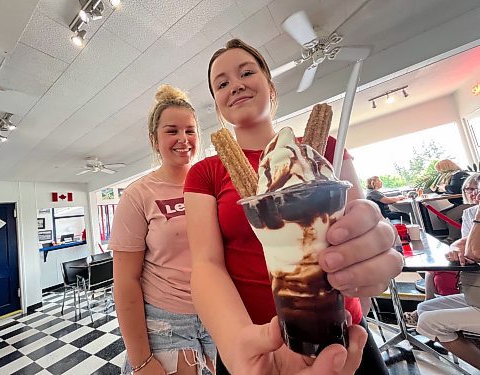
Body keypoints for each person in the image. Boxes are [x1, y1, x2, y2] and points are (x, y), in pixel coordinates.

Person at [184, 39, 403, 375]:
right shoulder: (206, 172)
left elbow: (364, 223)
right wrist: (236, 343)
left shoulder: (323, 150)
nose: (236, 85)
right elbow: (206, 264)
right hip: (255, 345)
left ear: (270, 87)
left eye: (247, 72)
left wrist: (372, 247)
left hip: (343, 331)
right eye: (222, 83)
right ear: (217, 105)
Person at [110, 85, 216, 375]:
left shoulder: (212, 183)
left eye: (190, 130)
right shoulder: (138, 195)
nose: (183, 139)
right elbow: (125, 282)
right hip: (166, 323)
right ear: (154, 139)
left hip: (218, 313)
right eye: (172, 131)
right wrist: (141, 360)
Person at [404, 173, 480, 326]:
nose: (474, 195)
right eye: (470, 190)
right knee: (433, 274)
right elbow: (464, 244)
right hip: (473, 280)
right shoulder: (469, 213)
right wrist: (454, 248)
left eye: (476, 190)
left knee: (429, 321)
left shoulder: (474, 213)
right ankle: (429, 304)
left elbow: (473, 252)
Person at [416, 200, 480, 370]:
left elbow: (474, 251)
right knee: (425, 308)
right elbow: (461, 243)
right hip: (476, 296)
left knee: (429, 322)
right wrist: (456, 251)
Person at [433, 159, 471, 242]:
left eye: (439, 170)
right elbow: (447, 189)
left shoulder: (460, 175)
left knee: (450, 216)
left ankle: (453, 238)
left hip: (469, 202)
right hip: (459, 203)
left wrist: (444, 187)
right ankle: (462, 233)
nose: (439, 172)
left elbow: (455, 189)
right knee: (441, 215)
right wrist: (437, 189)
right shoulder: (451, 177)